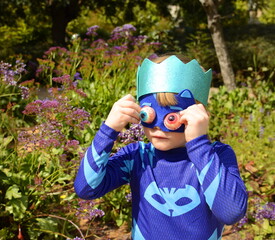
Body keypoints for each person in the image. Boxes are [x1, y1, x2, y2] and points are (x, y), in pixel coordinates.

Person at [74, 54, 248, 240]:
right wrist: (108, 130)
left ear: (197, 114)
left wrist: (199, 145)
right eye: (148, 115)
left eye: (170, 118)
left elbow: (231, 212)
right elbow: (86, 188)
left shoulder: (216, 156)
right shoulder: (137, 157)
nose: (157, 126)